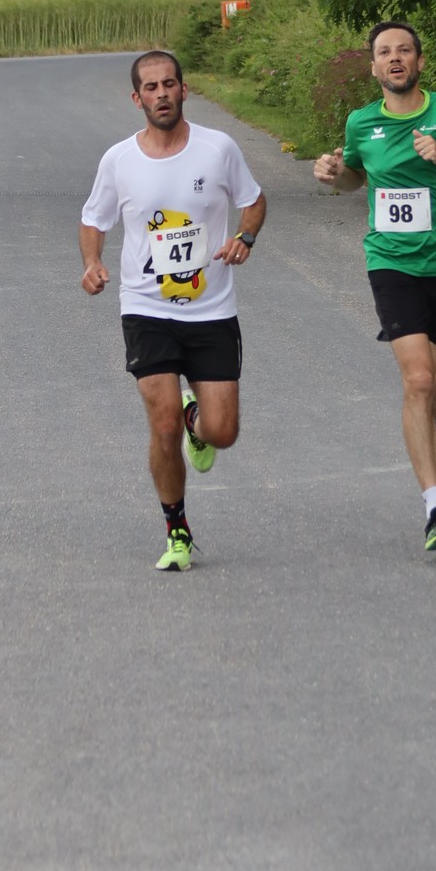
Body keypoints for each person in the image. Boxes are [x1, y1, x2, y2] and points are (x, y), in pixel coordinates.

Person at [313, 21, 436, 556]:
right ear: (373, 67)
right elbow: (354, 176)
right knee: (418, 380)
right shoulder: (361, 122)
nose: (394, 58)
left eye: (404, 50)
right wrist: (333, 173)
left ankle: (430, 423)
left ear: (419, 62)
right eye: (384, 52)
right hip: (392, 263)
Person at [79, 48, 267, 573]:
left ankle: (195, 419)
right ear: (136, 98)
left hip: (211, 310)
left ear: (184, 90)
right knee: (161, 425)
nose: (161, 94)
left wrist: (246, 237)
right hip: (146, 308)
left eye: (169, 84)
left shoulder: (218, 149)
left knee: (222, 432)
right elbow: (93, 220)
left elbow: (253, 200)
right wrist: (92, 262)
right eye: (151, 87)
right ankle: (177, 529)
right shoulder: (119, 160)